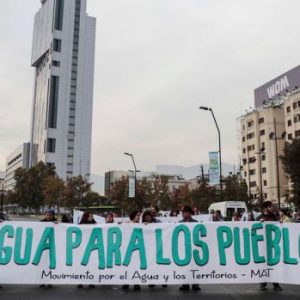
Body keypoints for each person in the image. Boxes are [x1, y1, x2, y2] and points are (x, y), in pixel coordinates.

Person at [256, 201, 282, 291]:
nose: (272, 208)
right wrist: (259, 223)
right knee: (264, 264)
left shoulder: (274, 217)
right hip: (263, 245)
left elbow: (279, 227)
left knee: (274, 264)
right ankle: (263, 283)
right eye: (270, 206)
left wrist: (280, 223)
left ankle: (276, 284)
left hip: (273, 244)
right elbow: (253, 227)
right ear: (265, 208)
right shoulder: (259, 217)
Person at [178, 206, 201, 291]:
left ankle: (195, 284)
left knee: (195, 266)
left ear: (190, 213)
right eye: (184, 212)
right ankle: (185, 284)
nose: (185, 214)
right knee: (184, 267)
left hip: (194, 247)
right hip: (183, 248)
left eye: (187, 212)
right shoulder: (179, 222)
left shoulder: (196, 222)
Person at [122, 210, 141, 291]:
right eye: (137, 215)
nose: (139, 217)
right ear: (133, 216)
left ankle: (136, 283)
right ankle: (126, 282)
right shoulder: (127, 224)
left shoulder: (141, 225)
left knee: (136, 266)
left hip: (138, 249)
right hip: (128, 249)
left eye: (139, 215)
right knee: (127, 266)